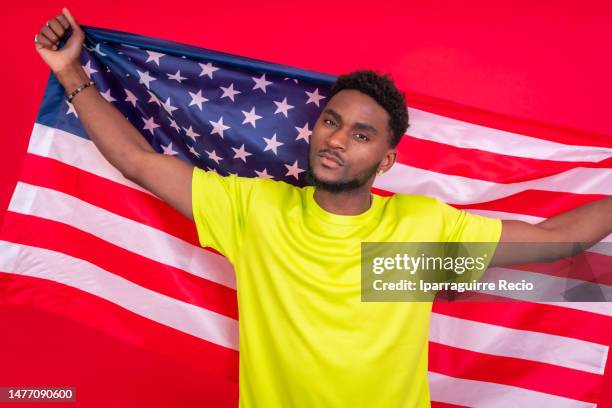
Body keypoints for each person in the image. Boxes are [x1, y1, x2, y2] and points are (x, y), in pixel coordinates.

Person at [34, 9, 612, 407]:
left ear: (386, 160)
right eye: (332, 122)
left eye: (362, 135)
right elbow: (137, 160)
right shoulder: (254, 211)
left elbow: (560, 240)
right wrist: (71, 73)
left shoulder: (420, 228)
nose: (337, 139)